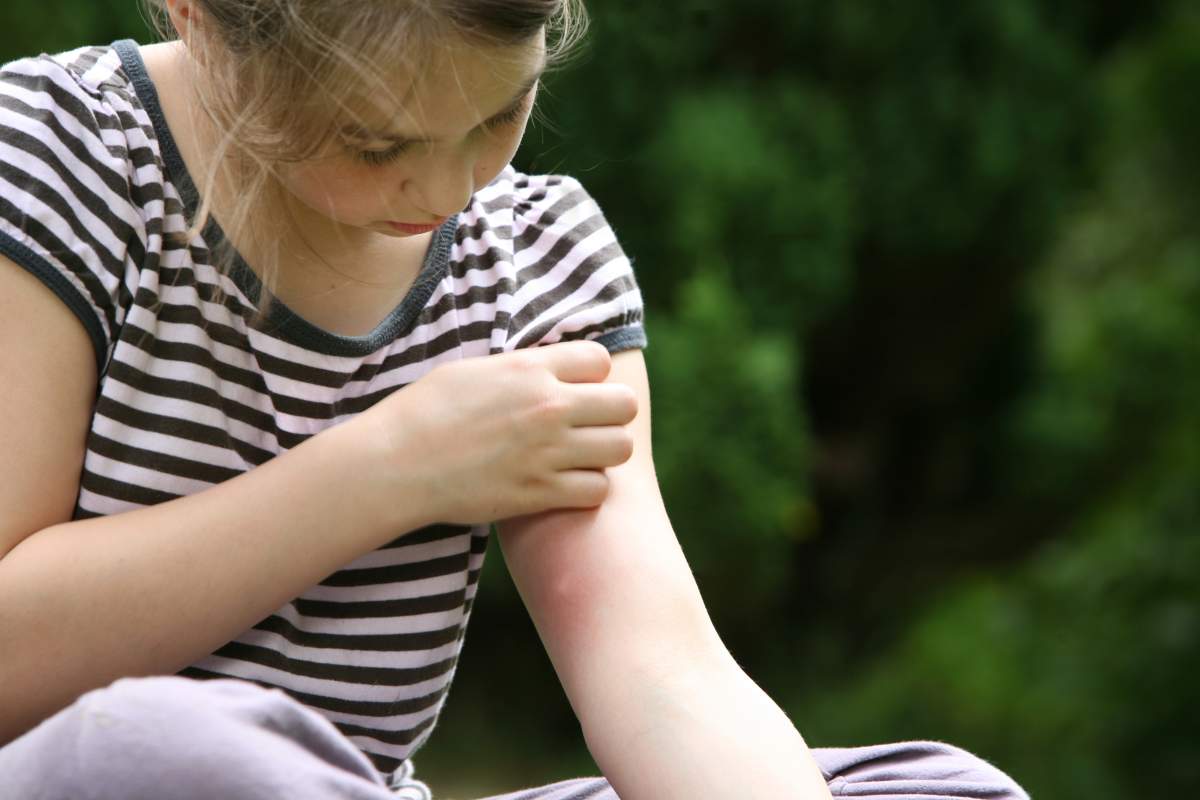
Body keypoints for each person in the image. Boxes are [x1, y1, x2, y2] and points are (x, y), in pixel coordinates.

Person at [0, 1, 1030, 798]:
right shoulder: (56, 156)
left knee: (944, 787)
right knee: (167, 748)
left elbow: (661, 671)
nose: (451, 189)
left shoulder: (540, 265)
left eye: (499, 112)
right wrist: (387, 468)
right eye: (375, 144)